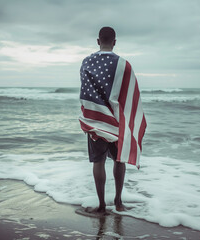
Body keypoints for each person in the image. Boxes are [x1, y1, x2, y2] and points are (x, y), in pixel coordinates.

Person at [79, 27, 147, 214]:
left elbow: (85, 93)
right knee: (119, 161)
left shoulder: (87, 62)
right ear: (115, 42)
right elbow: (130, 97)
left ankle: (101, 205)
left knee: (98, 162)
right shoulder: (124, 65)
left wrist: (88, 118)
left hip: (96, 121)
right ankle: (118, 202)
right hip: (117, 124)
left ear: (98, 41)